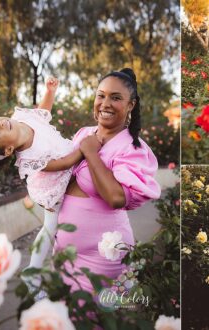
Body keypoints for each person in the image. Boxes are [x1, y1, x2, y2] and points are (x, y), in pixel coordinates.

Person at [0, 77, 82, 287]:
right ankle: (33, 270)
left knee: (63, 223)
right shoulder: (30, 158)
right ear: (9, 150)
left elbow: (43, 113)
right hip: (53, 183)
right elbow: (63, 164)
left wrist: (50, 92)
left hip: (69, 162)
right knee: (50, 225)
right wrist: (83, 151)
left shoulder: (22, 116)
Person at [54, 68, 161, 293]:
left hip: (102, 256)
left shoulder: (132, 148)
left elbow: (115, 198)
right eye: (101, 95)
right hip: (64, 253)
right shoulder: (84, 133)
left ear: (131, 105)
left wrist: (92, 154)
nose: (105, 103)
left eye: (116, 98)